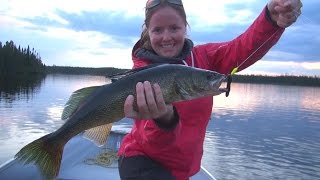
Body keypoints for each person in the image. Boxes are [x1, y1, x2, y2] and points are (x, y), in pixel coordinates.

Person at [118, 0, 302, 179]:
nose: (167, 37)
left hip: (181, 168)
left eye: (174, 28)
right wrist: (164, 120)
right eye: (158, 30)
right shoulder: (142, 79)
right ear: (148, 33)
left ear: (185, 27)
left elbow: (242, 48)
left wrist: (270, 18)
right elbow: (154, 144)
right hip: (142, 163)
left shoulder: (204, 58)